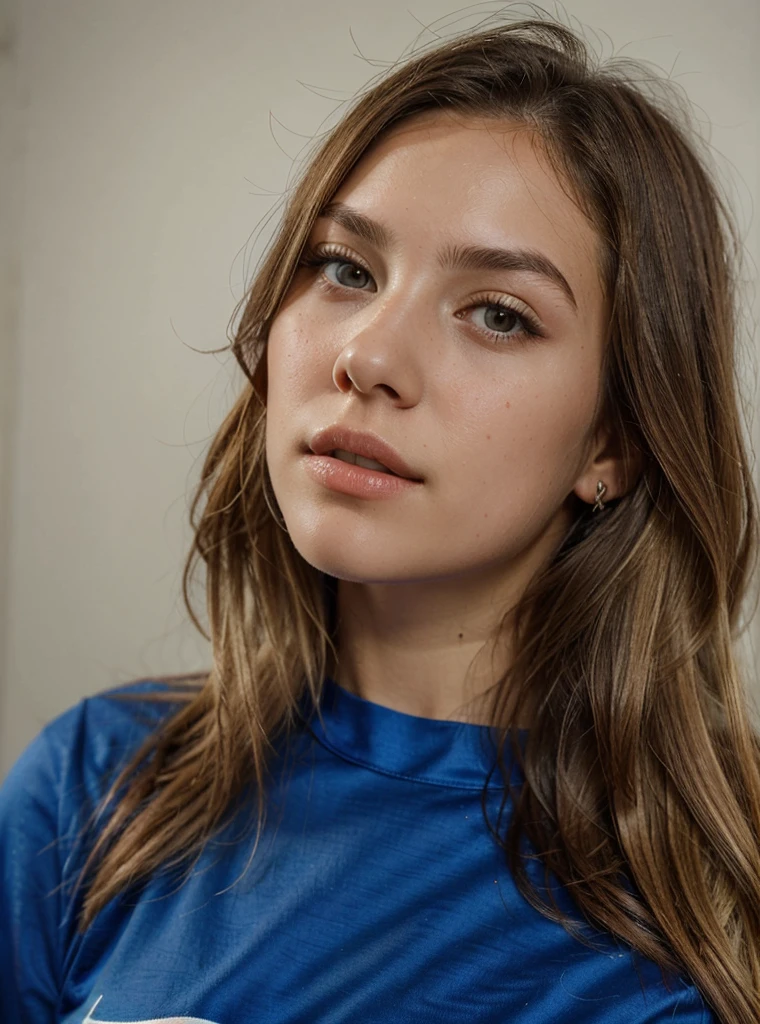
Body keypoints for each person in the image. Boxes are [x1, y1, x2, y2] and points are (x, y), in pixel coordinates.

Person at [2, 12, 759, 1024]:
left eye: (498, 312)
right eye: (345, 269)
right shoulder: (93, 784)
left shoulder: (710, 919)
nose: (366, 354)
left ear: (610, 442)